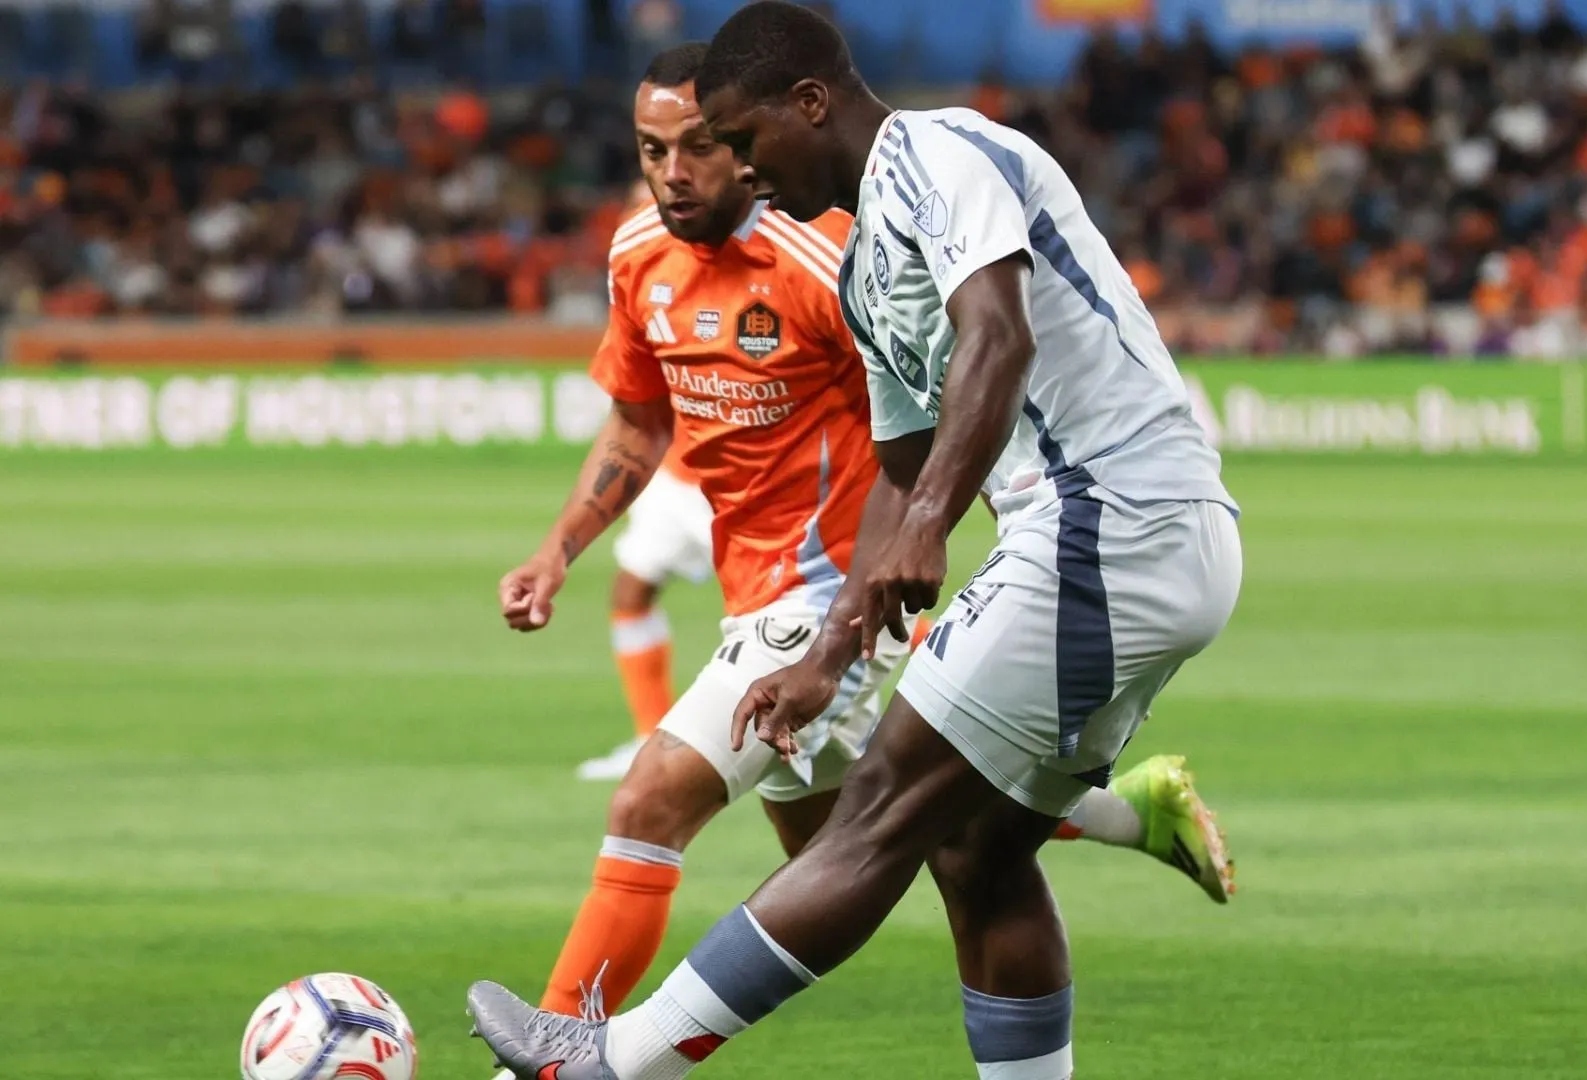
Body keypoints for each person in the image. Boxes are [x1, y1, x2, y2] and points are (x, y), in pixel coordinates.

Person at [468, 7, 1243, 1079]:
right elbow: (901, 467)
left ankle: (605, 1063)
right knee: (977, 854)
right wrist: (827, 659)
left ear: (812, 103)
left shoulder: (941, 150)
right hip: (1116, 543)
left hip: (1112, 521)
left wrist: (928, 527)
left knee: (878, 808)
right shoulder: (868, 262)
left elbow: (999, 333)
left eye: (741, 141)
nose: (737, 168)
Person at [574, 434, 715, 782]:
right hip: (674, 475)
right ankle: (649, 736)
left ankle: (821, 729)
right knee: (630, 593)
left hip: (737, 480)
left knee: (771, 601)